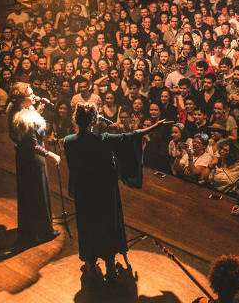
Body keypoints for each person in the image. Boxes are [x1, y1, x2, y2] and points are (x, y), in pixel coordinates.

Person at [63, 102, 172, 280]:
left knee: (87, 224)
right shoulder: (104, 139)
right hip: (104, 190)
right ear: (93, 120)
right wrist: (156, 126)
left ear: (76, 119)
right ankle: (110, 264)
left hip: (84, 190)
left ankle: (90, 263)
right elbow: (132, 136)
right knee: (107, 223)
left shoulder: (68, 141)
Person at [7, 83, 61, 244]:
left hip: (24, 158)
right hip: (33, 159)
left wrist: (39, 109)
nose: (34, 96)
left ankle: (29, 232)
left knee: (29, 195)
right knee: (40, 194)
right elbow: (32, 144)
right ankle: (45, 231)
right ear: (21, 99)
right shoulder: (22, 117)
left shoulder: (21, 110)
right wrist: (51, 154)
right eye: (30, 94)